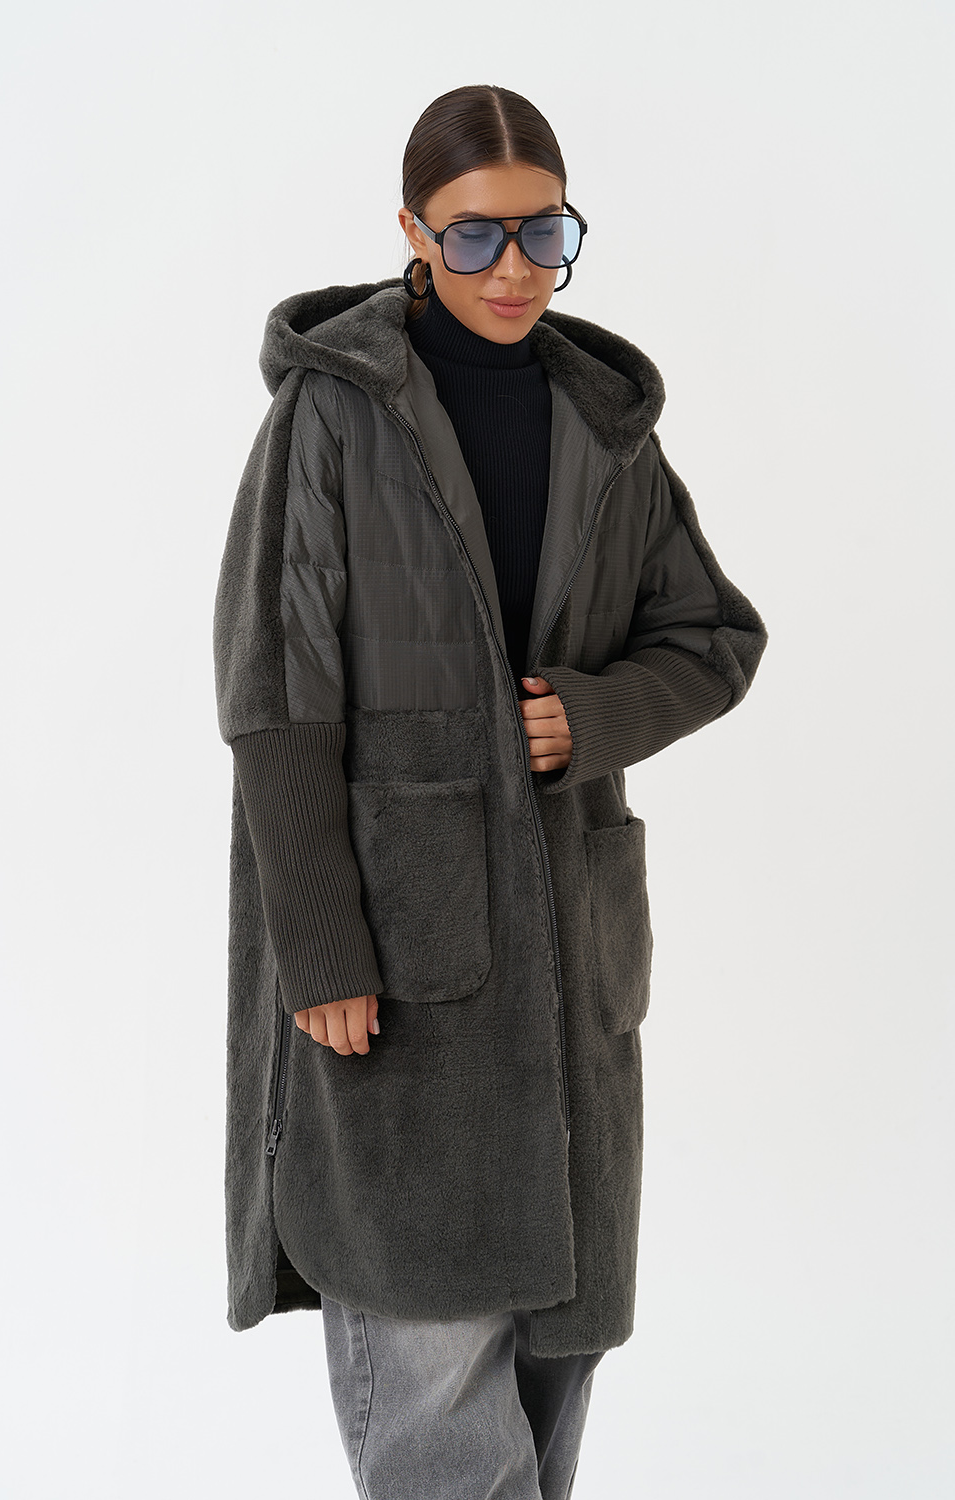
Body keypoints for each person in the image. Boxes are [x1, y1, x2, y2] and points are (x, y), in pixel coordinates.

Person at [213, 83, 766, 1500]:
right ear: (413, 233)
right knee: (432, 1383)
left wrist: (589, 715)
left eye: (543, 232)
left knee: (550, 1376)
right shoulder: (335, 417)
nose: (513, 268)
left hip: (570, 965)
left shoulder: (605, 427)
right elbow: (275, 699)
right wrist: (322, 947)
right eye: (474, 236)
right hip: (397, 965)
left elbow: (714, 640)